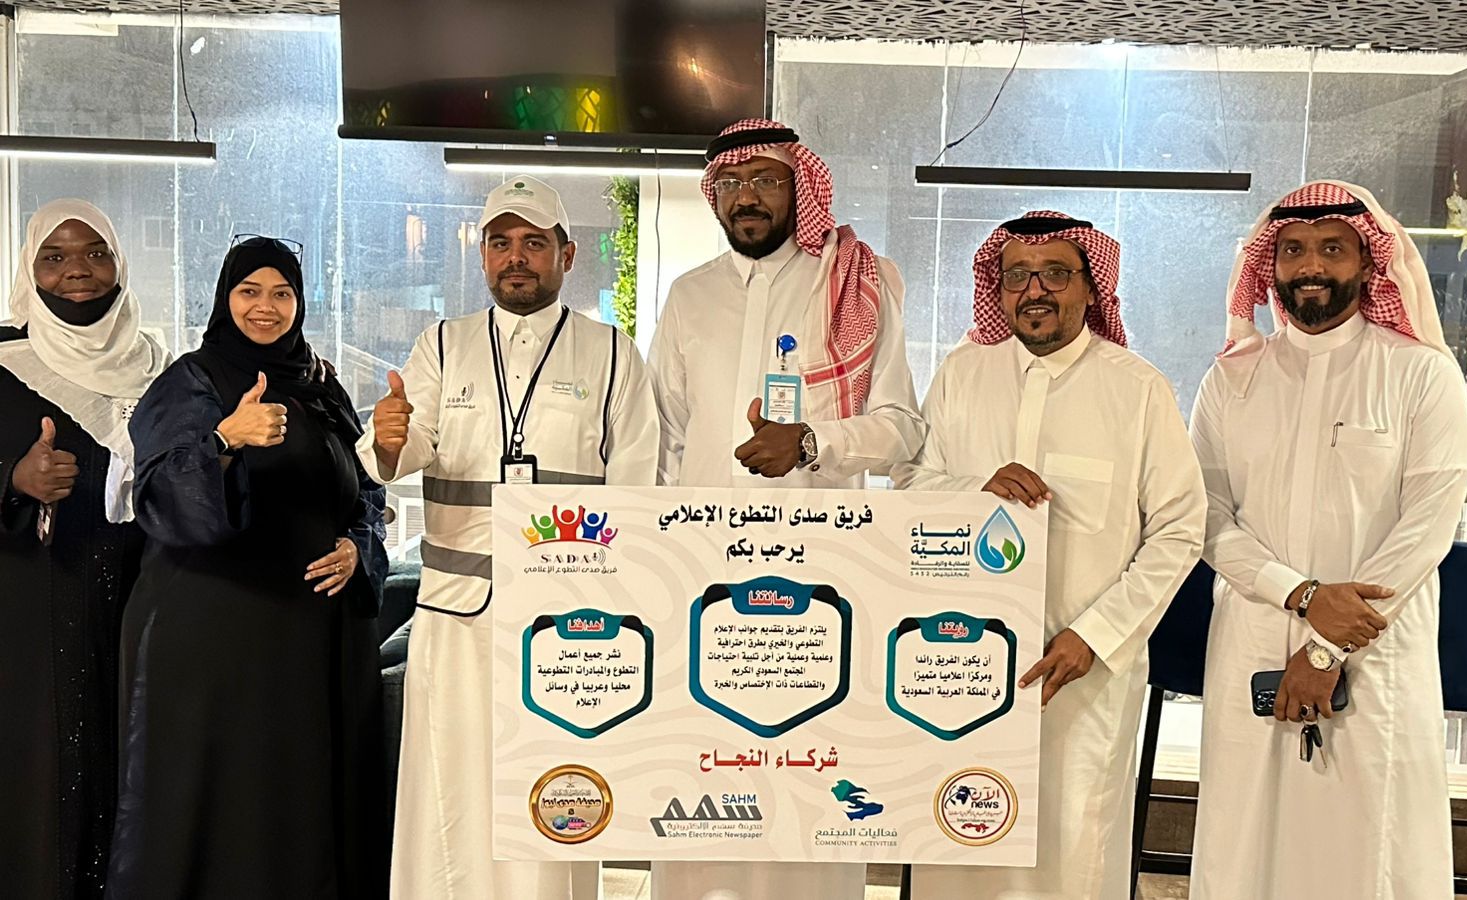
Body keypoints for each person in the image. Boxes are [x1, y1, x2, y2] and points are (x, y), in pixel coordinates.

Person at [358, 175, 657, 900]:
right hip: (456, 614)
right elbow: (404, 447)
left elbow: (637, 488)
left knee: (554, 796)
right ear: (483, 255)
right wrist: (389, 441)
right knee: (449, 791)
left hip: (566, 624)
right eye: (500, 243)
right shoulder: (443, 344)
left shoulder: (612, 354)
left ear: (567, 255)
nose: (515, 258)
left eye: (533, 242)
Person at [647, 119, 925, 900]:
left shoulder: (855, 284)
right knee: (701, 789)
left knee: (812, 794)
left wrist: (810, 442)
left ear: (799, 187)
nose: (748, 197)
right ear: (714, 195)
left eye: (766, 180)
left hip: (818, 589)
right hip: (704, 588)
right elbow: (660, 445)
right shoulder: (688, 295)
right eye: (732, 183)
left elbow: (902, 431)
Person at [893, 211, 1206, 900]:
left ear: (1091, 287)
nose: (1035, 290)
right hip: (960, 664)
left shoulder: (1137, 388)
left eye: (1056, 274)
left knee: (1073, 854)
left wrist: (1094, 634)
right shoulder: (963, 372)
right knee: (958, 844)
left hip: (1084, 677)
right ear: (998, 289)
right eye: (1017, 276)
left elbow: (1180, 527)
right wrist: (974, 488)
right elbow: (910, 486)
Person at [1188, 181, 1467, 900]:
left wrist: (1323, 649)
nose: (1310, 265)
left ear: (1369, 263)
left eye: (1332, 248)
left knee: (1369, 845)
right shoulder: (1231, 379)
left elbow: (1427, 526)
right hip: (1253, 635)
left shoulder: (1421, 374)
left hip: (1377, 651)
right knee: (1245, 837)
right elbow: (1206, 515)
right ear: (1270, 264)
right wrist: (1300, 594)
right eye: (1292, 250)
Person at [108, 237, 389, 899]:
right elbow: (157, 499)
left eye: (282, 293)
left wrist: (357, 545)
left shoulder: (320, 385)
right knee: (223, 804)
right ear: (224, 298)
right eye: (249, 291)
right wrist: (224, 439)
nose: (266, 307)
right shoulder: (191, 381)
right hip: (216, 642)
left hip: (309, 641)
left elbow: (364, 491)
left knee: (303, 802)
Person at [0, 200, 169, 900]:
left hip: (141, 607)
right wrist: (14, 480)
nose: (77, 270)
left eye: (96, 253)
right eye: (55, 256)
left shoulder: (160, 368)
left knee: (132, 775)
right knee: (44, 792)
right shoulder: (5, 362)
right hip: (34, 616)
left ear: (120, 266)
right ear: (29, 269)